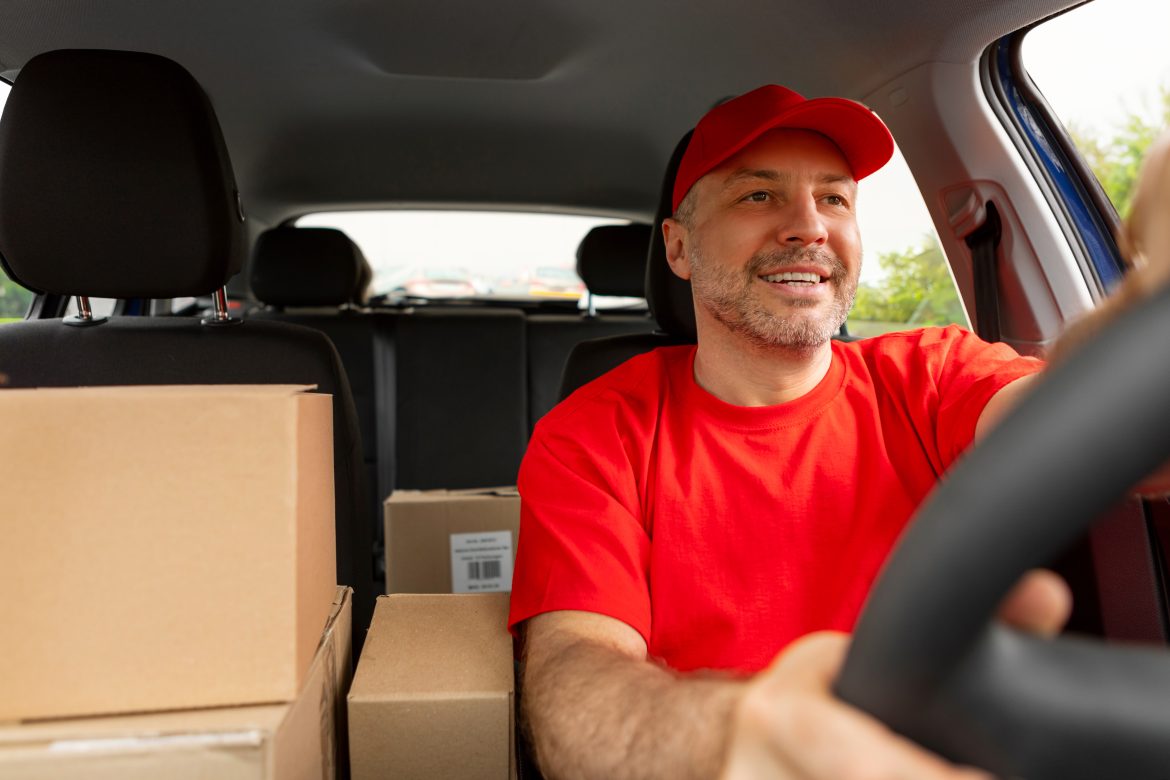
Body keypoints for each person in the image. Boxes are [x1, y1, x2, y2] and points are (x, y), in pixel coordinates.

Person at [507, 84, 1167, 779]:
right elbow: (577, 676)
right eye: (757, 196)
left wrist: (1150, 322)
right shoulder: (591, 434)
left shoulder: (932, 375)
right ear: (678, 247)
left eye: (834, 199)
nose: (808, 227)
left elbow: (1092, 427)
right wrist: (737, 740)